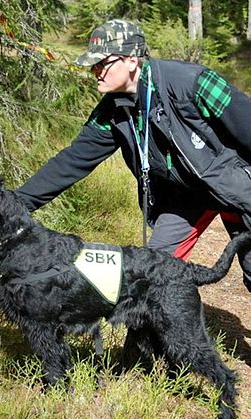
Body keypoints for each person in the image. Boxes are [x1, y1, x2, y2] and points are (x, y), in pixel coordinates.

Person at [14, 19, 251, 291]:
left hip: (236, 185)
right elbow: (71, 162)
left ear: (131, 60)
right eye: (93, 65)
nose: (96, 71)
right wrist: (12, 205)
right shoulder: (113, 111)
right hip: (186, 197)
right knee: (152, 276)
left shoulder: (192, 83)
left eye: (103, 63)